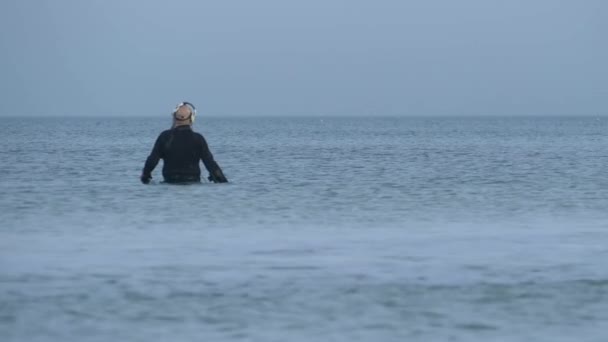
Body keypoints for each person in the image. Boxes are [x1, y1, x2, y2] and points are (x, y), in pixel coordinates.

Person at [140, 102, 228, 184]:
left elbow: (152, 160)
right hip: (194, 183)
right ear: (192, 118)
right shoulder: (198, 139)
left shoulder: (164, 136)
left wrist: (145, 176)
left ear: (174, 117)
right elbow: (211, 164)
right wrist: (224, 182)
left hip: (169, 183)